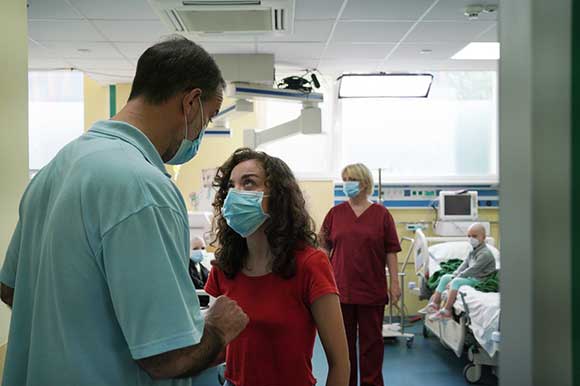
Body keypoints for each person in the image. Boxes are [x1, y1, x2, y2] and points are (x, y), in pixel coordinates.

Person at [0, 36, 249, 386]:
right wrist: (218, 330)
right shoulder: (144, 188)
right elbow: (167, 358)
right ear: (191, 102)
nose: (200, 134)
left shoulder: (57, 167)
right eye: (206, 121)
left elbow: (11, 289)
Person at [204, 148, 350, 386]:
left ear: (278, 196)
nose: (236, 193)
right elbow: (222, 349)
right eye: (231, 186)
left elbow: (340, 364)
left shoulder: (310, 264)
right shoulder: (224, 267)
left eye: (248, 183)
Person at [319, 163, 401, 386]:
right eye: (344, 179)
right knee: (342, 347)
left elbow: (391, 251)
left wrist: (394, 283)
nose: (346, 184)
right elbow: (323, 250)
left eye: (351, 179)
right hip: (340, 289)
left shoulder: (381, 215)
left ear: (364, 183)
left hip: (371, 290)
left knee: (371, 346)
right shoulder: (335, 214)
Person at [419, 223, 497, 321]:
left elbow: (472, 270)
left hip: (481, 280)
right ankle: (435, 304)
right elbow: (464, 265)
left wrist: (455, 279)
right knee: (445, 277)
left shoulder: (485, 254)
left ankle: (447, 311)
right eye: (469, 236)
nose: (471, 239)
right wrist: (454, 274)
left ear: (483, 237)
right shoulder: (473, 250)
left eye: (475, 236)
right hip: (472, 277)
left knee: (456, 282)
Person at [189, 236, 210, 306]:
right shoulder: (186, 268)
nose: (200, 251)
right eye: (195, 248)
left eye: (203, 248)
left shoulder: (205, 270)